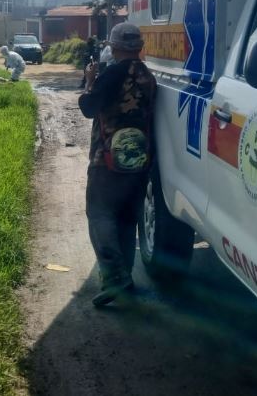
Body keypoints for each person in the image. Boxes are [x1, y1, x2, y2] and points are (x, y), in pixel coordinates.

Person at [79, 23, 156, 307]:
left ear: (113, 46)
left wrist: (89, 81)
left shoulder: (112, 74)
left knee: (99, 213)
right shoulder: (148, 75)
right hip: (140, 159)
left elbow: (88, 108)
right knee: (126, 218)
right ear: (139, 46)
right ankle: (126, 279)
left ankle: (113, 276)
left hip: (107, 159)